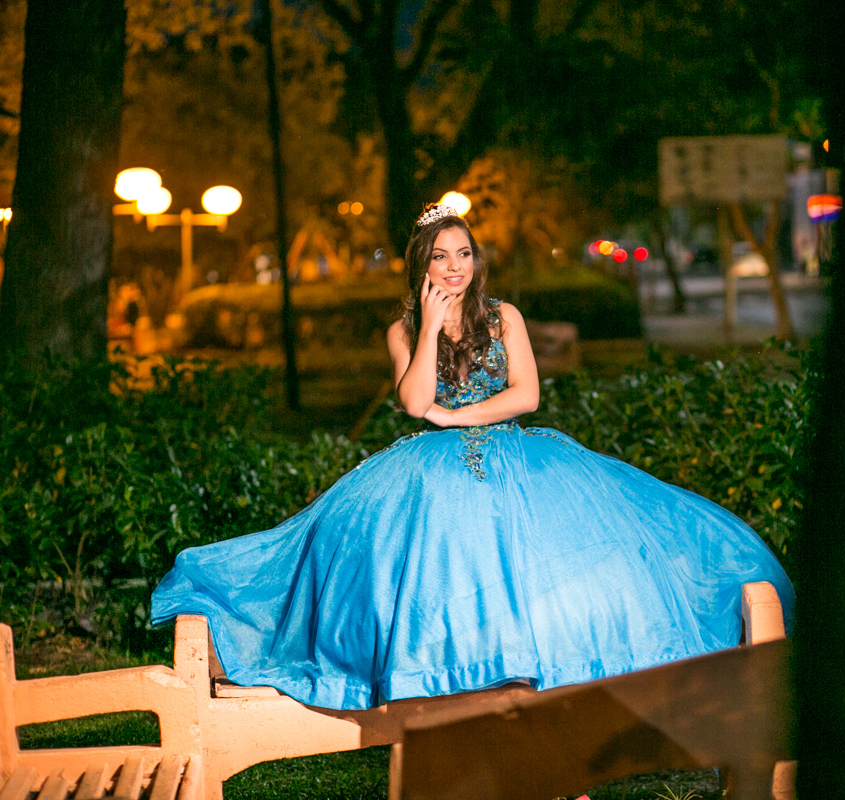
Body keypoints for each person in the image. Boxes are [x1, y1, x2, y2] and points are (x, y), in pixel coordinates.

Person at [151, 204, 794, 711]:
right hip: (430, 474)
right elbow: (414, 402)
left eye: (463, 253)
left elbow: (527, 395)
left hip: (516, 461)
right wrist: (430, 327)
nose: (455, 267)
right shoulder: (403, 329)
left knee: (539, 578)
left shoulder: (504, 315)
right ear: (422, 266)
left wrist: (457, 416)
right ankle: (455, 702)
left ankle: (547, 724)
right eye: (440, 256)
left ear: (476, 260)